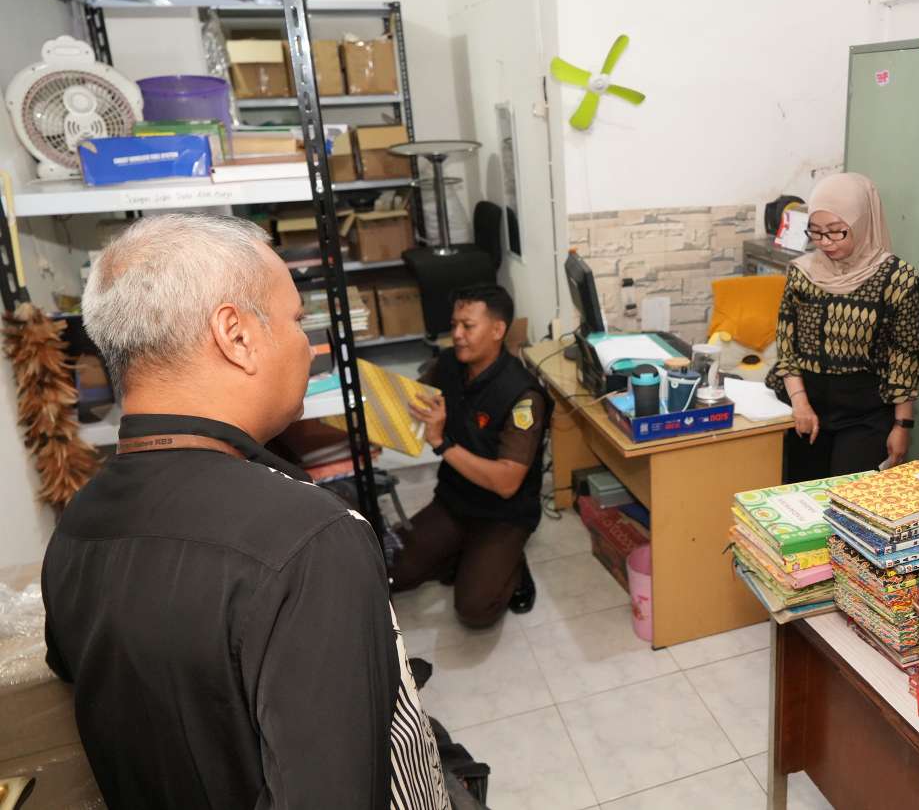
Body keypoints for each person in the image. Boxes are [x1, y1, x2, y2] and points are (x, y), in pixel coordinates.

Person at [44, 214, 451, 809]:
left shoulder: (77, 526)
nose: (309, 347)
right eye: (295, 320)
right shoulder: (312, 542)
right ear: (235, 335)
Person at [389, 284, 547, 628]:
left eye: (468, 326)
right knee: (393, 572)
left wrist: (442, 443)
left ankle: (512, 564)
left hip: (503, 514)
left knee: (475, 609)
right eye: (454, 325)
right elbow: (413, 403)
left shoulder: (522, 394)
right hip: (454, 501)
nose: (457, 335)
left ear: (497, 330)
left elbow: (507, 482)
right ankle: (464, 554)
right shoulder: (447, 365)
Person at [766, 172, 919, 482]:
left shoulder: (896, 279)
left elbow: (905, 357)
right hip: (805, 405)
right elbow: (787, 342)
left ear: (863, 222)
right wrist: (799, 403)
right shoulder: (803, 273)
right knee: (800, 499)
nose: (825, 243)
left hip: (865, 414)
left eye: (837, 232)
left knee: (847, 501)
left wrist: (902, 426)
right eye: (816, 232)